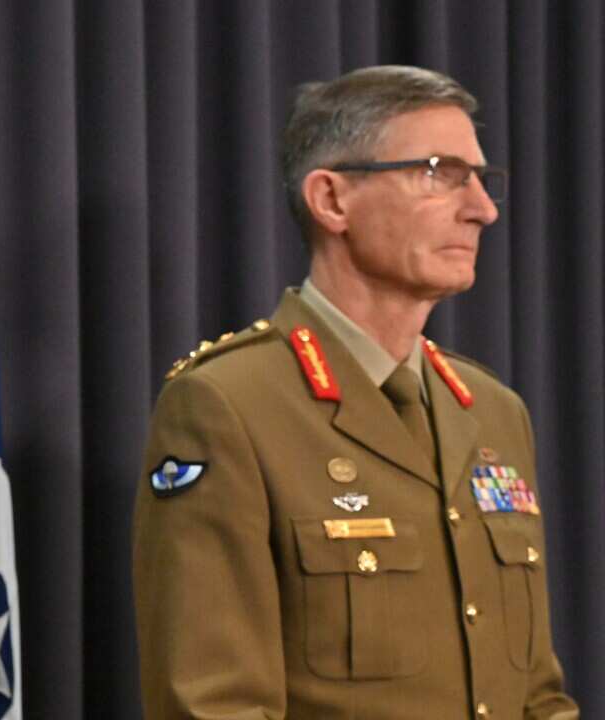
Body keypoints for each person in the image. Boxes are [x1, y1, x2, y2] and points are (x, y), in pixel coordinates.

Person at [133, 65, 578, 719]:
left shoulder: (493, 411)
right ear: (333, 201)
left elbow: (536, 694)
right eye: (439, 172)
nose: (482, 209)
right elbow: (213, 706)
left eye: (483, 180)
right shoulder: (229, 405)